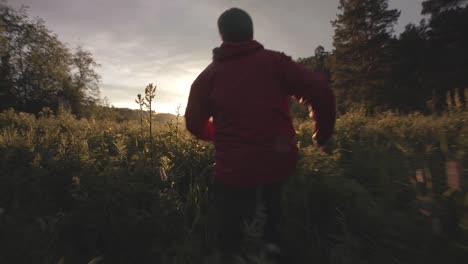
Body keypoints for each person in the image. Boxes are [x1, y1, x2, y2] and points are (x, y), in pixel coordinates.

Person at [185, 7, 336, 263]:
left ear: (222, 36)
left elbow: (193, 123)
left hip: (233, 170)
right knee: (272, 212)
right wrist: (322, 136)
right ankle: (271, 247)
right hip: (277, 162)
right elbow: (320, 90)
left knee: (230, 234)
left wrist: (217, 134)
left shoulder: (207, 78)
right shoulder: (276, 62)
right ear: (251, 33)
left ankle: (233, 252)